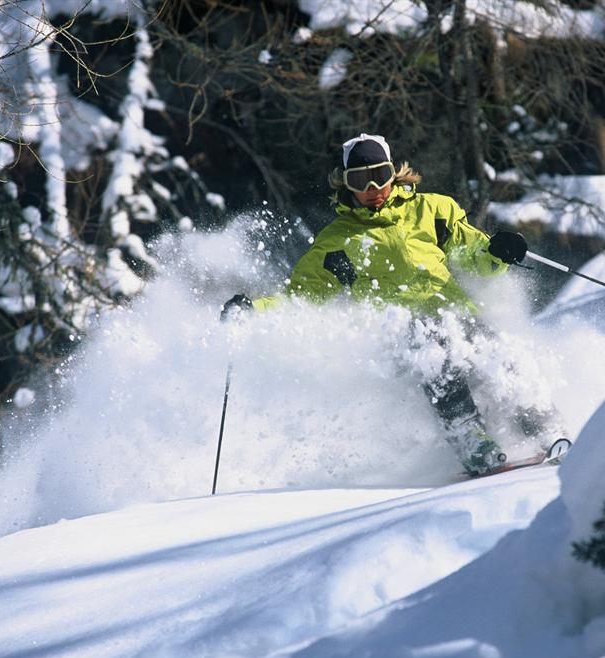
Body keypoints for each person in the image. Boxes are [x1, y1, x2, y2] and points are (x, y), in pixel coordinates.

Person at [222, 133, 561, 476]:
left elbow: (474, 255)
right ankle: (469, 436)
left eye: (379, 174)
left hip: (454, 315)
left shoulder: (432, 211)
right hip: (401, 332)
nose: (372, 187)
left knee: (496, 353)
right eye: (360, 179)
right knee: (430, 345)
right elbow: (303, 295)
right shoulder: (338, 241)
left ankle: (545, 429)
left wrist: (496, 251)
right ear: (345, 184)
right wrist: (256, 309)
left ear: (394, 173)